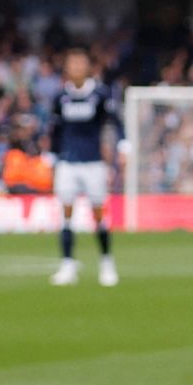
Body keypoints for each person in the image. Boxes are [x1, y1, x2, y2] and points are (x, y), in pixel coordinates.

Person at [48, 47, 123, 287]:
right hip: (68, 163)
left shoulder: (99, 94)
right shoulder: (61, 97)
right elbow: (55, 130)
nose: (77, 68)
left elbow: (115, 122)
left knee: (98, 214)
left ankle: (106, 263)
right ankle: (68, 265)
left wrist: (124, 146)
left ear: (88, 67)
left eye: (81, 63)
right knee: (66, 215)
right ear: (67, 68)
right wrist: (51, 155)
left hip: (93, 163)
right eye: (73, 63)